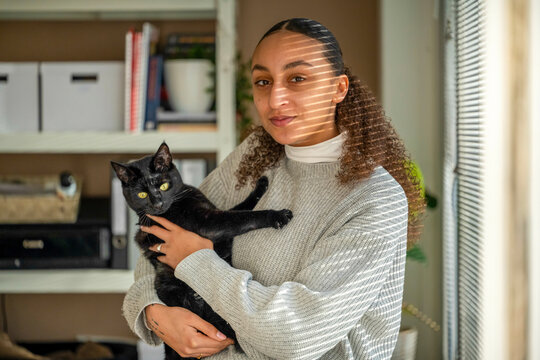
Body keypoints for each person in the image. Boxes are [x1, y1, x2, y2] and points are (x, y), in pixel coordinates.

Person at [122, 18, 425, 359]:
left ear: (339, 88)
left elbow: (293, 337)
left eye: (297, 78)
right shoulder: (256, 154)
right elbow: (158, 238)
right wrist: (154, 313)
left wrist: (195, 261)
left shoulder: (375, 200)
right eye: (263, 81)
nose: (275, 98)